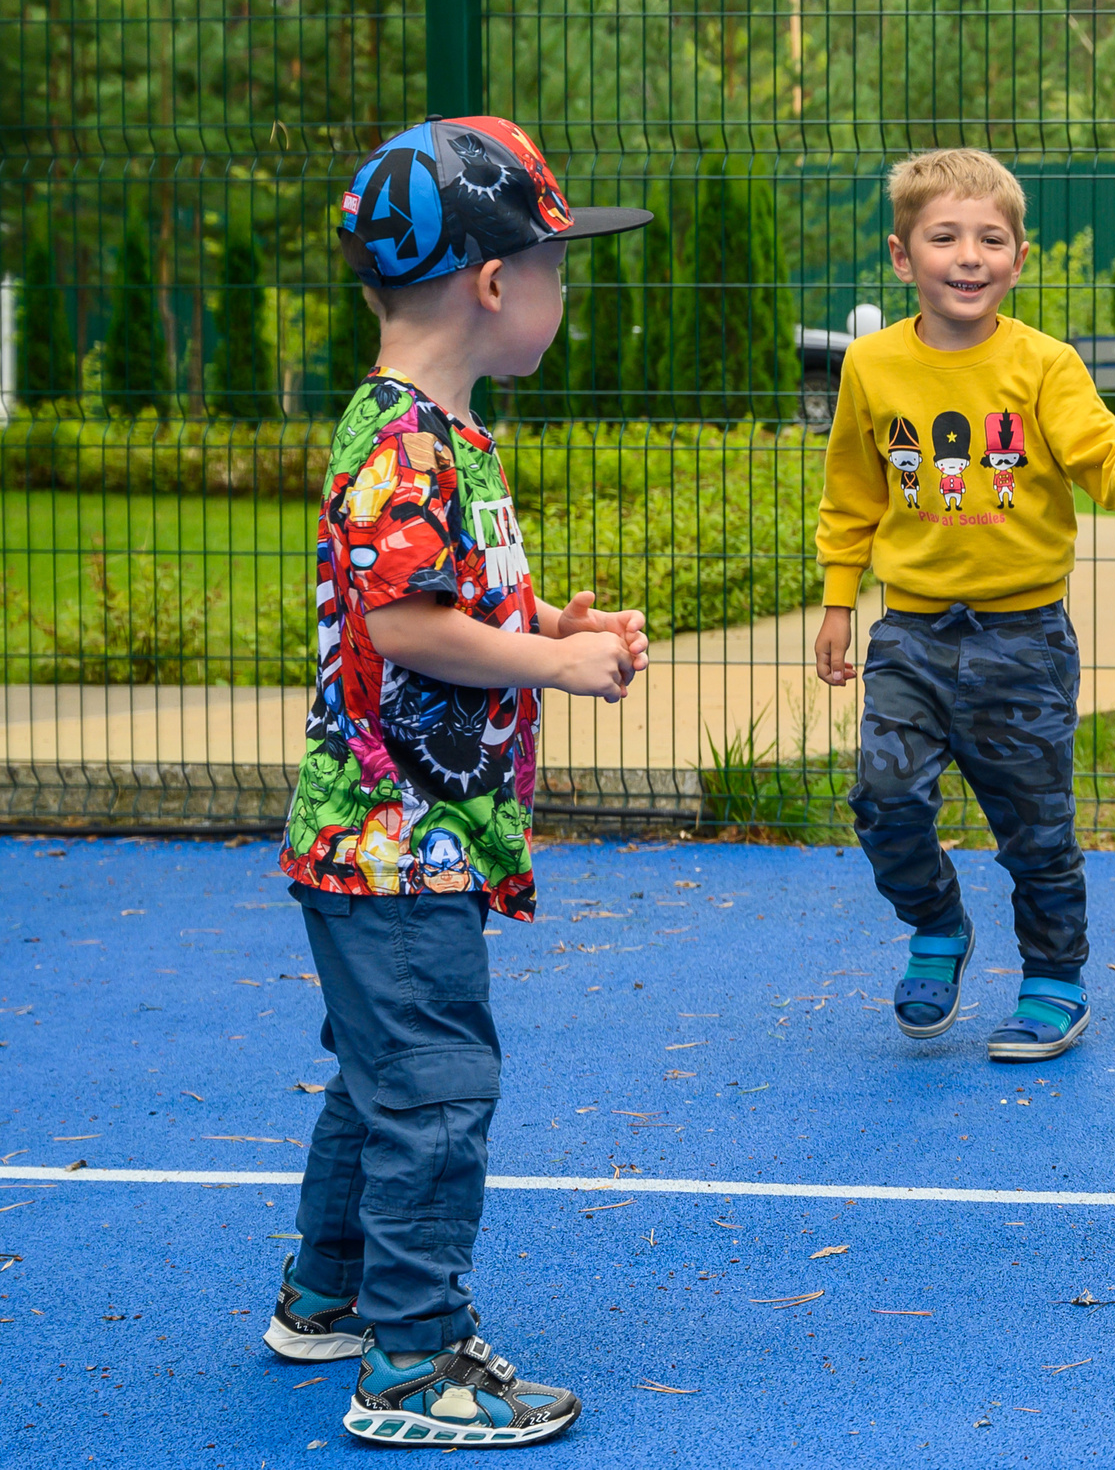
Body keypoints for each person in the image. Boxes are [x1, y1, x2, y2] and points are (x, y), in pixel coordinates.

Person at [267, 116, 652, 1447]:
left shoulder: (447, 433)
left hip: (414, 836)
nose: (561, 290)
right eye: (553, 264)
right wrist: (556, 671)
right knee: (434, 1088)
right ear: (495, 283)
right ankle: (413, 1361)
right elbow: (404, 626)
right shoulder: (405, 447)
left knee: (383, 1070)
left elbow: (460, 603)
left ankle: (328, 1291)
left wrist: (548, 628)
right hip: (393, 839)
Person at [814, 148, 1115, 1062]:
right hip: (910, 634)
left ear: (1019, 258)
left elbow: (1100, 457)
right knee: (884, 794)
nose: (968, 255)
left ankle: (1055, 976)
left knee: (1034, 825)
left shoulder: (1044, 366)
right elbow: (852, 494)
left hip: (1024, 640)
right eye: (945, 237)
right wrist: (835, 603)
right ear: (904, 258)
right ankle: (937, 924)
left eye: (991, 239)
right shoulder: (871, 365)